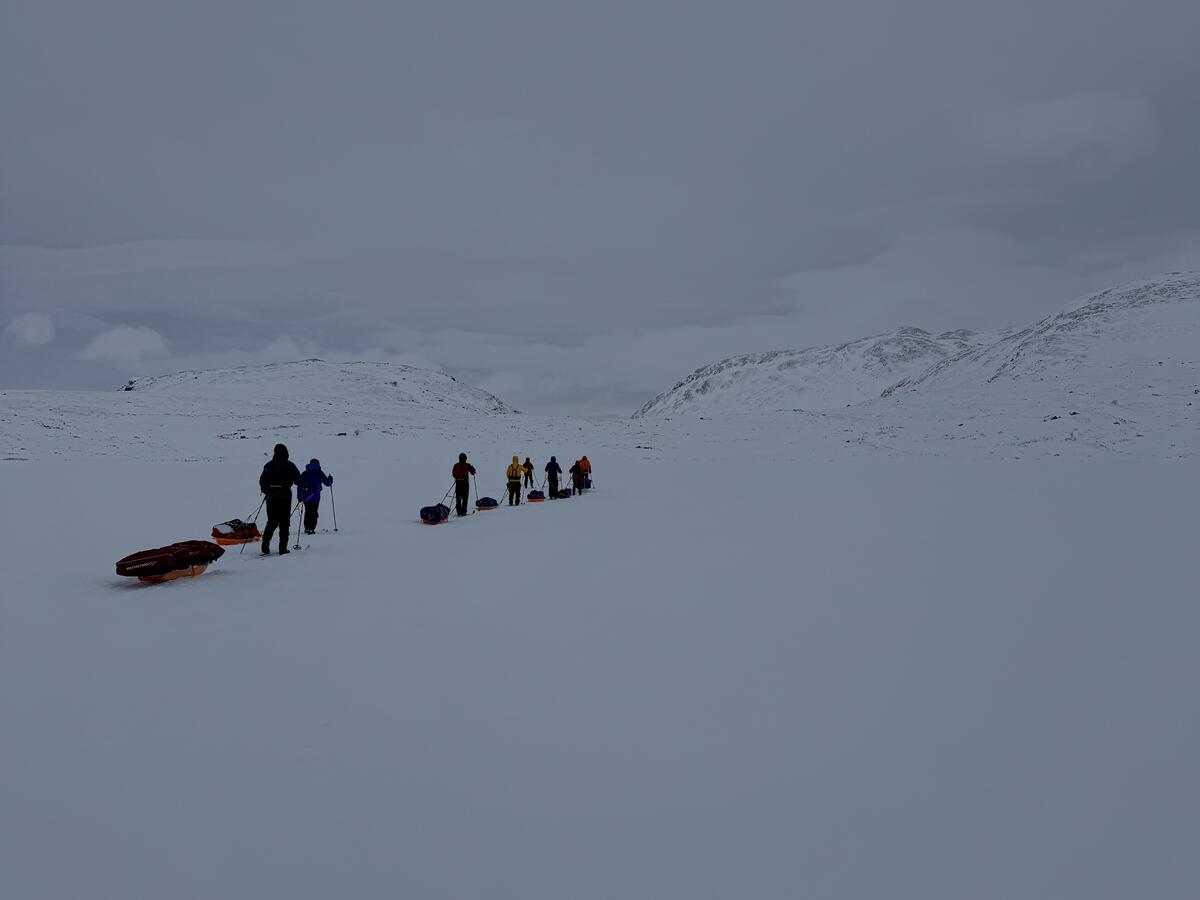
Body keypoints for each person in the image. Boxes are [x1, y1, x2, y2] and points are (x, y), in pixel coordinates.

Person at [259, 443, 303, 554]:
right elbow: (298, 480)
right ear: (286, 453)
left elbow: (262, 482)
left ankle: (265, 547)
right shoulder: (290, 465)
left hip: (271, 497)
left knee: (271, 522)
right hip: (285, 497)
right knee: (284, 522)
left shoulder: (268, 465)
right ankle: (282, 548)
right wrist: (304, 485)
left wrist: (267, 491)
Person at [297, 459, 333, 534]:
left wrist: (299, 496)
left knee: (308, 511)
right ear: (318, 464)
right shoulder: (319, 472)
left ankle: (307, 528)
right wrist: (330, 479)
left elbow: (299, 485)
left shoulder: (304, 473)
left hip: (305, 497)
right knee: (313, 512)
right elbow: (327, 483)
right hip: (315, 496)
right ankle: (311, 529)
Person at [451, 452, 476, 517]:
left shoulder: (456, 465)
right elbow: (473, 472)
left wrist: (457, 477)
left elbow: (453, 474)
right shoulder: (467, 465)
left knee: (458, 497)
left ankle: (459, 512)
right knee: (465, 498)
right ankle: (463, 511)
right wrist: (473, 469)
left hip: (458, 483)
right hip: (465, 483)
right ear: (465, 459)